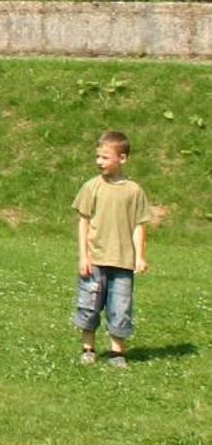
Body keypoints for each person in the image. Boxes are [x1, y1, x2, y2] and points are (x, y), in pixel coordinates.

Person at [72, 129, 152, 369]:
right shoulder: (91, 187)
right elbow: (83, 221)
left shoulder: (134, 191)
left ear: (123, 159)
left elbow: (139, 225)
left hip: (123, 262)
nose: (99, 162)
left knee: (121, 307)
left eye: (105, 157)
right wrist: (83, 256)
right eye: (98, 157)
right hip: (95, 259)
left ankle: (118, 352)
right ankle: (89, 348)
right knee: (89, 304)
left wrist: (140, 257)